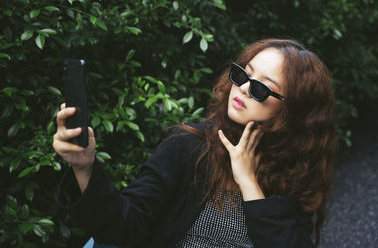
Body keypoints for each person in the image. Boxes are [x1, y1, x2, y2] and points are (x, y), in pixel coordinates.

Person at [54, 38, 337, 248]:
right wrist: (85, 169)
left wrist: (250, 185)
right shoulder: (188, 145)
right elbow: (125, 227)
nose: (243, 88)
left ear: (293, 113)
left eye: (262, 88)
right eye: (242, 74)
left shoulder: (294, 173)